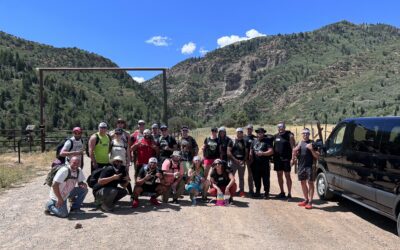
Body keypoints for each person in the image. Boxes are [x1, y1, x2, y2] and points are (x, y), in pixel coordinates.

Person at [291, 128, 320, 209]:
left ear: (309, 134)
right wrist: (294, 155)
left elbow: (317, 156)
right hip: (301, 166)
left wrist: (311, 149)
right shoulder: (300, 142)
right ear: (302, 134)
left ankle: (310, 202)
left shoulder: (312, 143)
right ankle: (306, 200)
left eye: (307, 133)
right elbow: (295, 151)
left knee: (310, 183)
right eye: (304, 133)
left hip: (310, 166)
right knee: (302, 182)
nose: (305, 135)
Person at [249, 127, 274, 199]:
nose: (260, 134)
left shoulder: (267, 141)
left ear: (263, 133)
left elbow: (271, 151)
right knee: (256, 178)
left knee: (265, 178)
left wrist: (263, 153)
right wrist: (250, 157)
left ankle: (266, 193)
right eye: (258, 133)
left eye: (261, 132)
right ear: (257, 134)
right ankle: (257, 192)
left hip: (264, 163)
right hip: (255, 163)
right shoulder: (254, 141)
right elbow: (251, 150)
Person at [273, 122, 295, 200]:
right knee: (279, 175)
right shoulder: (275, 136)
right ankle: (282, 192)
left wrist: (293, 158)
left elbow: (293, 148)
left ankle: (289, 193)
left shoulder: (289, 136)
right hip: (278, 159)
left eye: (282, 126)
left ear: (284, 127)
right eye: (279, 127)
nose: (280, 128)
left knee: (287, 175)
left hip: (286, 159)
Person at [109, 127, 133, 199]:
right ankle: (112, 195)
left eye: (120, 133)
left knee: (126, 179)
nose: (118, 135)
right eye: (117, 133)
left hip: (123, 164)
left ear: (122, 134)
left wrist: (128, 164)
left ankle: (131, 195)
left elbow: (128, 155)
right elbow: (108, 152)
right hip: (113, 164)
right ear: (114, 134)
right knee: (113, 179)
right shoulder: (112, 142)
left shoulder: (125, 144)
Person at [227, 128, 247, 197]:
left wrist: (243, 160)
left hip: (241, 162)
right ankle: (230, 190)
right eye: (238, 132)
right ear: (236, 133)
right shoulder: (232, 141)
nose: (239, 133)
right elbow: (228, 152)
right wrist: (235, 159)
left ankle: (241, 191)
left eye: (241, 132)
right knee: (231, 177)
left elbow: (246, 152)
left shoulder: (244, 141)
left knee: (241, 177)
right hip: (233, 162)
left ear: (242, 133)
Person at [244, 124, 255, 195]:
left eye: (250, 129)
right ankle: (247, 189)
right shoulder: (244, 137)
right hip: (245, 158)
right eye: (248, 129)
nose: (249, 130)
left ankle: (252, 189)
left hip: (253, 158)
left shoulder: (255, 137)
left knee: (252, 174)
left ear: (252, 130)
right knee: (246, 174)